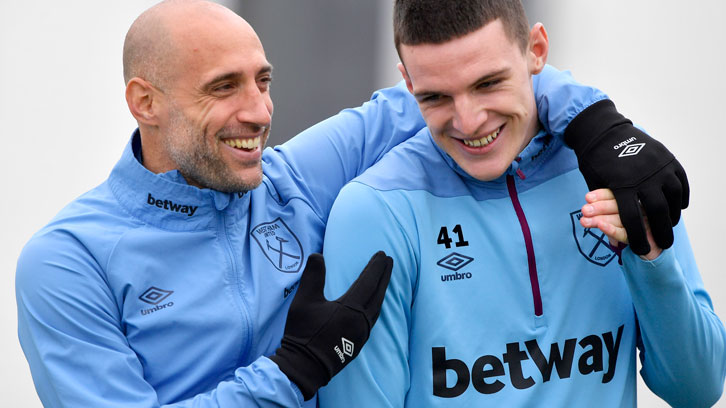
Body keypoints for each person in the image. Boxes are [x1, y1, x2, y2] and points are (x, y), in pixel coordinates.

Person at [15, 0, 692, 407]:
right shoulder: (67, 262)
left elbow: (474, 77)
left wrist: (602, 127)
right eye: (223, 88)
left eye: (264, 80)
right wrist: (291, 373)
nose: (258, 112)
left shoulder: (290, 181)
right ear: (144, 102)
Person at [318, 1, 726, 407]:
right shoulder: (374, 212)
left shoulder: (619, 167)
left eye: (488, 83)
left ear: (537, 51)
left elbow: (697, 389)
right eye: (436, 97)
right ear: (408, 83)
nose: (468, 121)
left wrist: (649, 253)